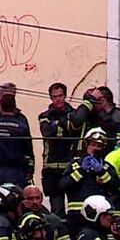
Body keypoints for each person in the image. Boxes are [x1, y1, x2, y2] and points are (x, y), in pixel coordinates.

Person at [0, 82, 36, 211]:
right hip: (1, 169)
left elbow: (28, 148)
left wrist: (29, 170)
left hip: (10, 170)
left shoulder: (17, 119)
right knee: (0, 201)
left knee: (10, 203)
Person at [60, 127, 117, 239]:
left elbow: (115, 186)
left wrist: (101, 172)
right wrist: (81, 171)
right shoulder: (75, 165)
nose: (95, 148)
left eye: (99, 146)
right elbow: (63, 185)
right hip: (76, 216)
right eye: (93, 145)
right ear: (86, 145)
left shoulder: (106, 167)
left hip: (99, 217)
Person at [38, 82, 75, 217]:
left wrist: (57, 125)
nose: (58, 99)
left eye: (60, 96)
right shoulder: (44, 116)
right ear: (51, 98)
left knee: (74, 208)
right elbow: (48, 133)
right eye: (55, 97)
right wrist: (64, 127)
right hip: (51, 168)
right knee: (57, 209)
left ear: (65, 96)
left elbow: (74, 132)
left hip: (70, 166)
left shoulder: (74, 114)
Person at [64, 85, 120, 154]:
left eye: (92, 101)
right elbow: (77, 121)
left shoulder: (117, 118)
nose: (91, 105)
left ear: (101, 100)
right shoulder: (90, 115)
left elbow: (119, 144)